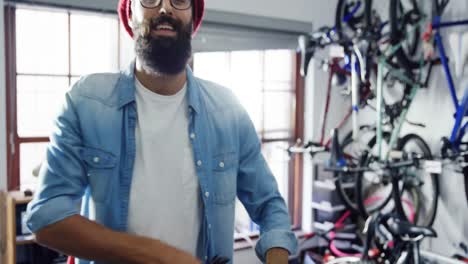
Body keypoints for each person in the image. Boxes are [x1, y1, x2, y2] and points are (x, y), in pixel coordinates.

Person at [25, 0, 298, 263]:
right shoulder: (85, 103)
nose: (165, 7)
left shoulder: (228, 111)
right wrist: (159, 256)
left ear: (193, 19)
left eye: (179, 0)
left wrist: (277, 257)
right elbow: (47, 217)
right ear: (129, 14)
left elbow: (270, 207)